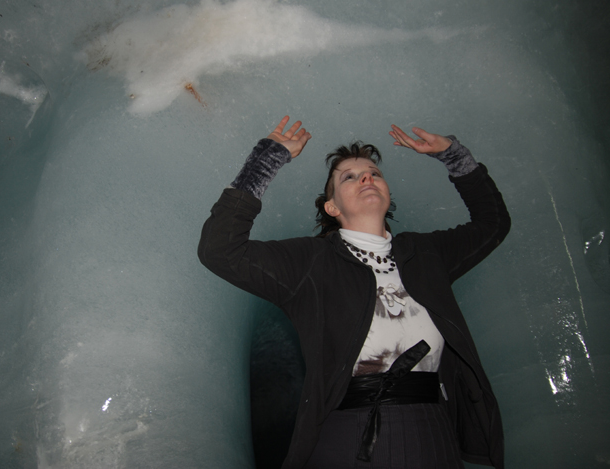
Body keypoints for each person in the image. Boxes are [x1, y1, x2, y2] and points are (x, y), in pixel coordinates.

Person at [198, 116, 510, 468]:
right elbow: (219, 250)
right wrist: (266, 161)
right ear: (332, 207)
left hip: (434, 433)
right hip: (347, 435)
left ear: (387, 193)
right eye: (349, 177)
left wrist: (454, 156)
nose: (367, 178)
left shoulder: (427, 254)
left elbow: (494, 224)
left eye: (374, 173)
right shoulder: (310, 263)